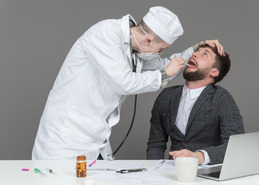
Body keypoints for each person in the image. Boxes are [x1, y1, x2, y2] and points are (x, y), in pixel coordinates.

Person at [32, 6, 224, 160]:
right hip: (65, 139)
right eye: (161, 48)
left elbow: (164, 68)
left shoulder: (138, 51)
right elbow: (124, 82)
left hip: (94, 140)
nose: (159, 54)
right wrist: (165, 74)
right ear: (149, 40)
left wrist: (195, 49)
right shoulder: (106, 33)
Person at [146, 43, 244, 165]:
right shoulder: (166, 96)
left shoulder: (222, 98)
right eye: (197, 51)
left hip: (208, 177)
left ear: (214, 72)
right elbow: (155, 145)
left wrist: (199, 156)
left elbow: (235, 146)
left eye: (205, 54)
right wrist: (153, 172)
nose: (194, 54)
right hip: (172, 173)